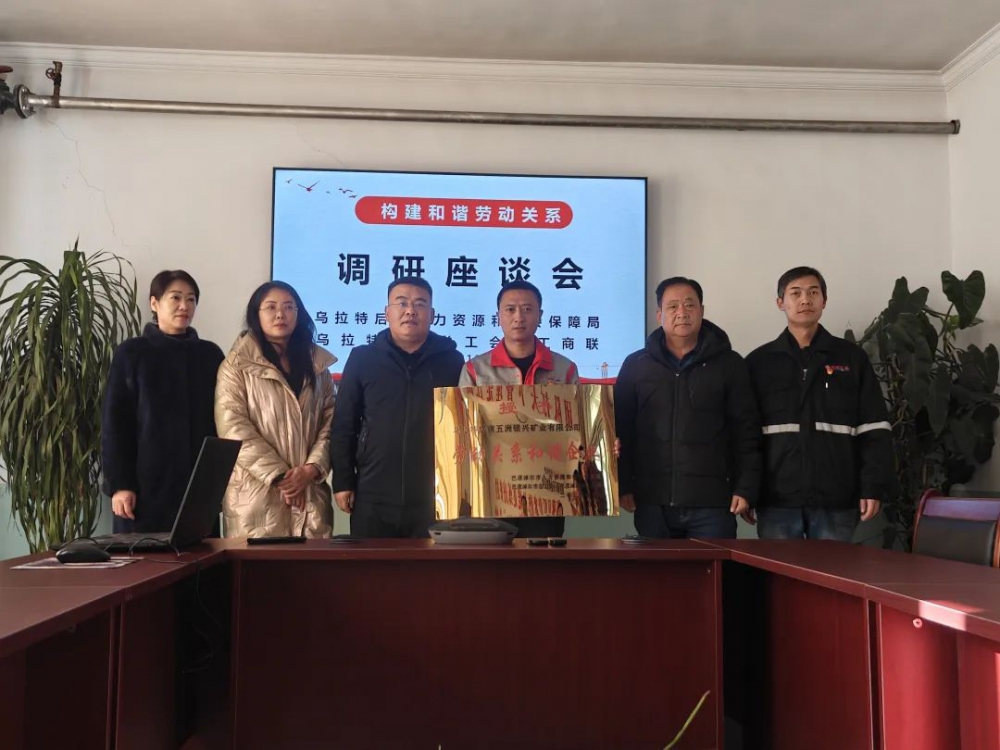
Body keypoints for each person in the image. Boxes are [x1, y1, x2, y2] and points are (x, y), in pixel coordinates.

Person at [745, 267, 894, 541]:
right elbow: (746, 435)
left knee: (831, 570)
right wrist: (747, 490)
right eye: (796, 293)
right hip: (777, 499)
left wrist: (872, 486)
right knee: (779, 570)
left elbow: (874, 428)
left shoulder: (852, 359)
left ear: (824, 301)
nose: (805, 300)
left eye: (813, 292)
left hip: (836, 499)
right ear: (780, 303)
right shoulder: (758, 363)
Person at [614, 277, 761, 539]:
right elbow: (621, 429)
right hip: (652, 501)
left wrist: (746, 487)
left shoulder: (730, 364)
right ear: (659, 314)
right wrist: (623, 485)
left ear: (702, 310)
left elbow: (746, 431)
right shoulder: (636, 365)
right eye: (672, 306)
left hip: (713, 503)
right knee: (658, 568)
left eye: (689, 305)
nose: (682, 313)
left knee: (715, 567)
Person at [330, 276, 464, 538]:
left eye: (420, 304)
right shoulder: (362, 359)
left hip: (436, 494)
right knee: (371, 564)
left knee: (432, 565)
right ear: (387, 313)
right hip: (373, 493)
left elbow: (462, 427)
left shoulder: (452, 361)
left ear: (432, 315)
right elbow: (344, 424)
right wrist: (343, 481)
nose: (410, 311)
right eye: (401, 303)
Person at [102, 270, 225, 533]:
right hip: (144, 489)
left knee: (203, 555)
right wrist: (121, 485)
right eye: (175, 298)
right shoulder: (132, 353)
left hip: (198, 490)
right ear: (154, 303)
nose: (184, 306)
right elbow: (115, 425)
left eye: (191, 299)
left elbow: (222, 424)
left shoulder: (210, 355)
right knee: (143, 557)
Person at [215, 281, 336, 538]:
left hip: (310, 497)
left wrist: (311, 469)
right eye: (271, 307)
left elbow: (332, 422)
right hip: (256, 499)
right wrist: (282, 477)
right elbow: (233, 427)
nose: (281, 314)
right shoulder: (235, 366)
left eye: (289, 307)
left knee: (314, 565)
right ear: (256, 315)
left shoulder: (318, 366)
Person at [459, 279, 578, 538]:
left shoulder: (564, 369)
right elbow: (463, 431)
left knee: (541, 559)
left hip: (547, 490)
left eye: (527, 309)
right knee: (492, 561)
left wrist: (600, 445)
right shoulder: (475, 370)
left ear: (540, 315)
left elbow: (577, 430)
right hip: (492, 488)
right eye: (510, 309)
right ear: (498, 316)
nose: (518, 317)